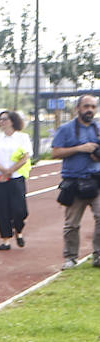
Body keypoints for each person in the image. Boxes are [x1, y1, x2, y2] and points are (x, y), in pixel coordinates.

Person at [48, 94, 100, 268]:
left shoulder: (98, 128)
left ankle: (98, 255)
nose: (90, 110)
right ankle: (70, 257)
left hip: (96, 181)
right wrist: (80, 148)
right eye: (86, 106)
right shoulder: (66, 129)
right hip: (74, 182)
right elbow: (55, 153)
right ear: (77, 108)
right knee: (71, 224)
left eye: (93, 107)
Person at [0, 110, 32, 251]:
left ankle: (18, 229)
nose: (2, 122)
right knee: (1, 208)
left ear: (12, 121)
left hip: (16, 177)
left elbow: (25, 157)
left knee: (19, 209)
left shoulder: (22, 137)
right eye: (0, 119)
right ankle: (5, 239)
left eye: (5, 119)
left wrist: (10, 171)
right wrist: (1, 170)